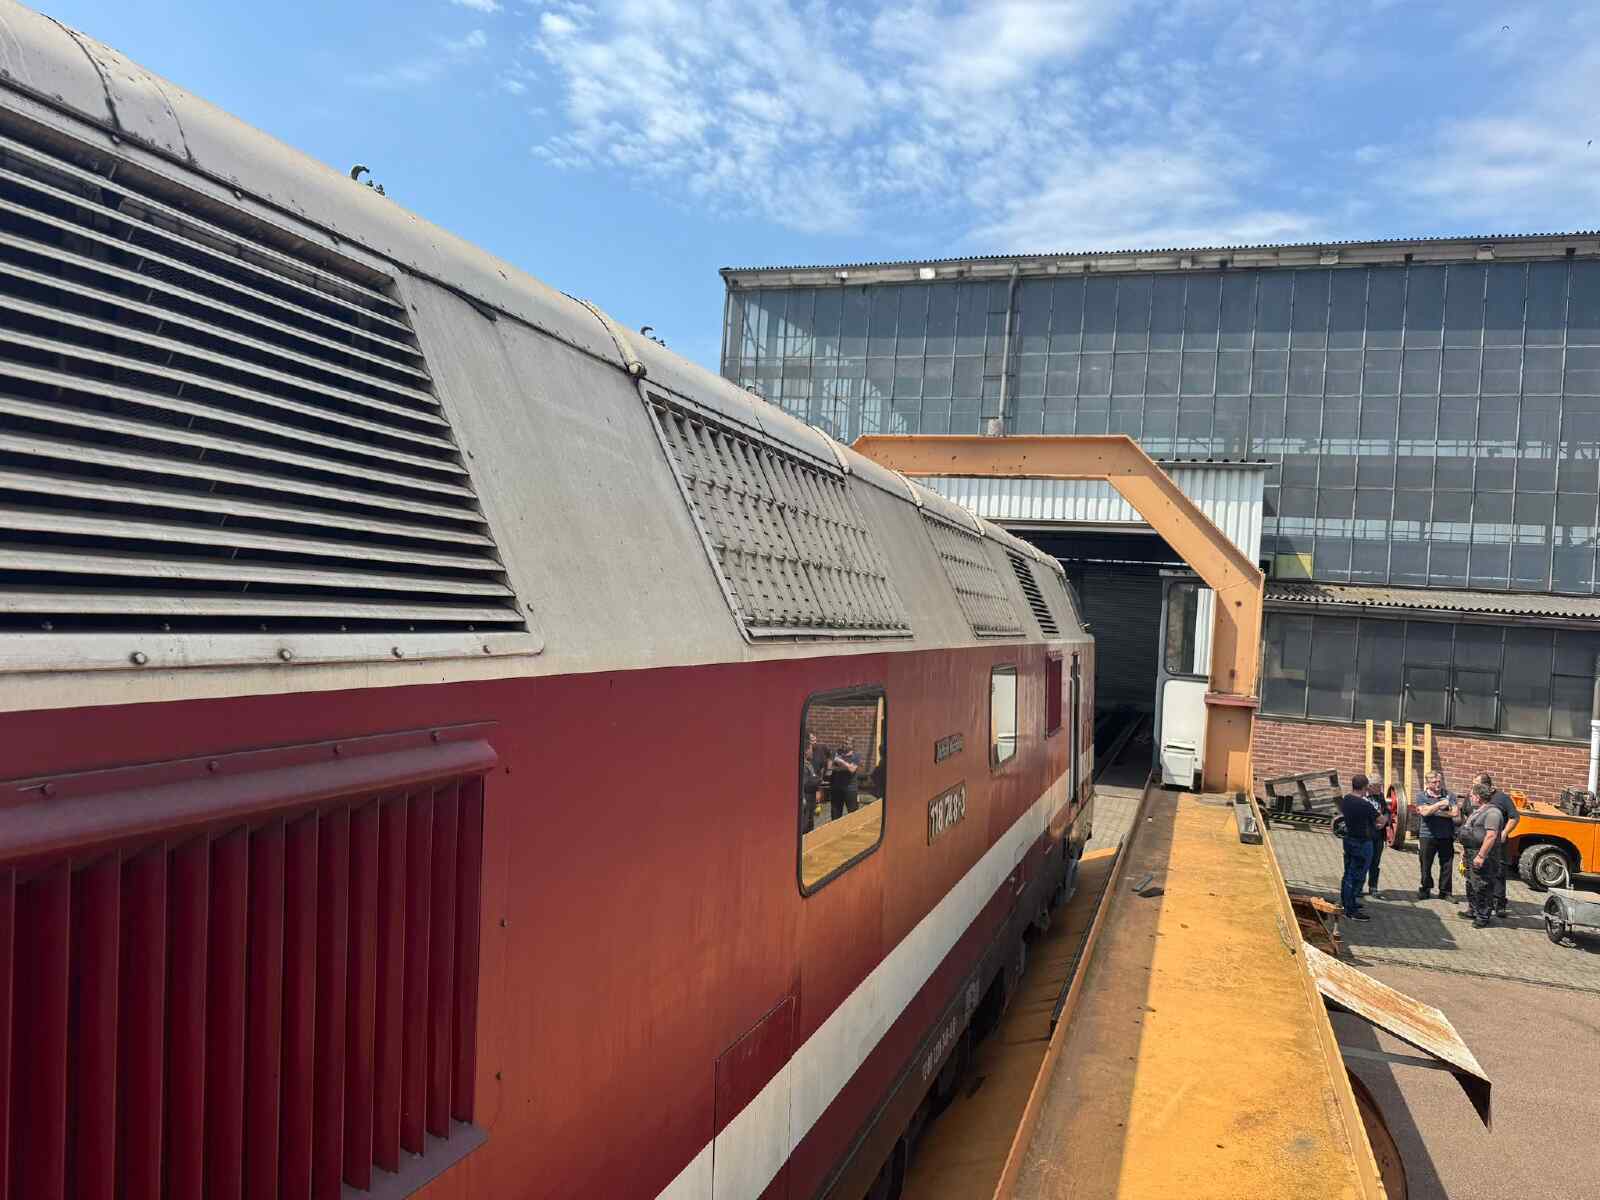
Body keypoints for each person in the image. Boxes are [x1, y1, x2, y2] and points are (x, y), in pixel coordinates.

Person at [1460, 779, 1506, 928]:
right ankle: (1473, 910)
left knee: (1482, 885)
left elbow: (1491, 836)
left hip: (1484, 855)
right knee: (1471, 882)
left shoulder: (1493, 813)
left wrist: (1481, 856)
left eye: (1472, 795)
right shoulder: (1478, 811)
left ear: (1478, 797)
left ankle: (1483, 916)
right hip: (1471, 852)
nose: (1470, 798)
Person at [1474, 773, 1520, 918]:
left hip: (1498, 843)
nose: (1473, 786)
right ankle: (1480, 903)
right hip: (1480, 842)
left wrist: (1505, 832)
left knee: (1499, 872)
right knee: (1480, 872)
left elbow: (1514, 817)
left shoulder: (1502, 798)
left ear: (1485, 785)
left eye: (1476, 783)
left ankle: (1499, 904)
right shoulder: (1475, 796)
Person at [1338, 773, 1376, 921]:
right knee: (1356, 876)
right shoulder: (1365, 805)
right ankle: (1350, 910)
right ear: (1365, 787)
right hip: (1362, 843)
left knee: (1348, 872)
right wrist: (1385, 818)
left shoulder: (1346, 800)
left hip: (1349, 840)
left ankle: (1346, 902)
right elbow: (1380, 819)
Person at [1414, 771, 1459, 899]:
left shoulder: (1450, 795)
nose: (1438, 784)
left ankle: (1445, 892)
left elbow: (1455, 813)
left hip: (1446, 835)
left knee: (1447, 865)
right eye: (1434, 782)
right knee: (1425, 864)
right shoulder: (1421, 796)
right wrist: (1440, 804)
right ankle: (1425, 888)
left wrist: (1433, 811)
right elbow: (1424, 813)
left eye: (1439, 781)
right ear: (1427, 784)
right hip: (1427, 835)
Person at [1365, 778, 1391, 896]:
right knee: (1363, 862)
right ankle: (1357, 888)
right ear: (1370, 786)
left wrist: (1384, 821)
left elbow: (1387, 811)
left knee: (1375, 862)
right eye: (1378, 786)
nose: (1381, 788)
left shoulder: (1380, 796)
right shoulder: (1362, 797)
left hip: (1379, 835)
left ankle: (1373, 887)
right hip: (1366, 835)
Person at [828, 742, 861, 820]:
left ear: (852, 745)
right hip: (837, 788)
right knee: (835, 815)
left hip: (851, 789)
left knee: (853, 814)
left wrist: (840, 761)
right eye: (843, 743)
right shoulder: (837, 753)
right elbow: (829, 767)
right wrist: (847, 766)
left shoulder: (856, 756)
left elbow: (852, 769)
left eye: (847, 743)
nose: (844, 745)